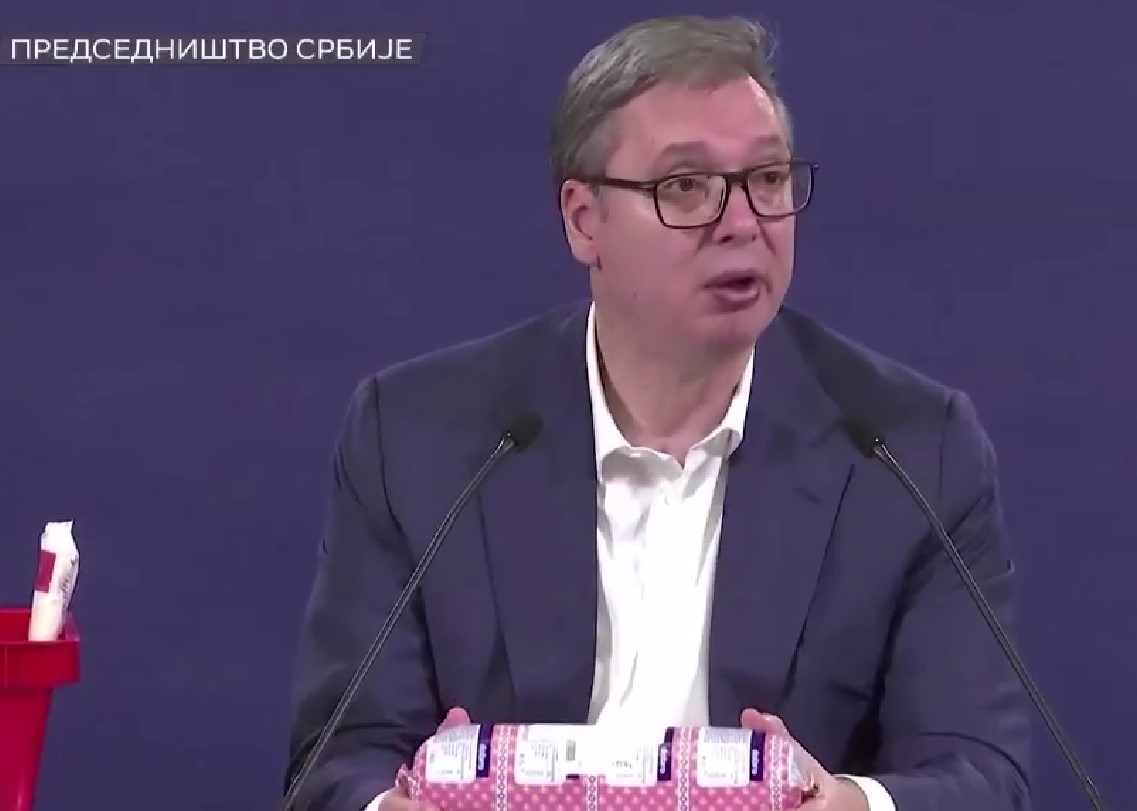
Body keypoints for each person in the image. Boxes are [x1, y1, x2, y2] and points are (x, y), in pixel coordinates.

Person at [285, 14, 1031, 811]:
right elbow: (337, 764)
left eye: (767, 179)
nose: (742, 222)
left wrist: (846, 805)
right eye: (685, 187)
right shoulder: (417, 435)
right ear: (584, 220)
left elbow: (980, 778)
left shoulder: (908, 448)